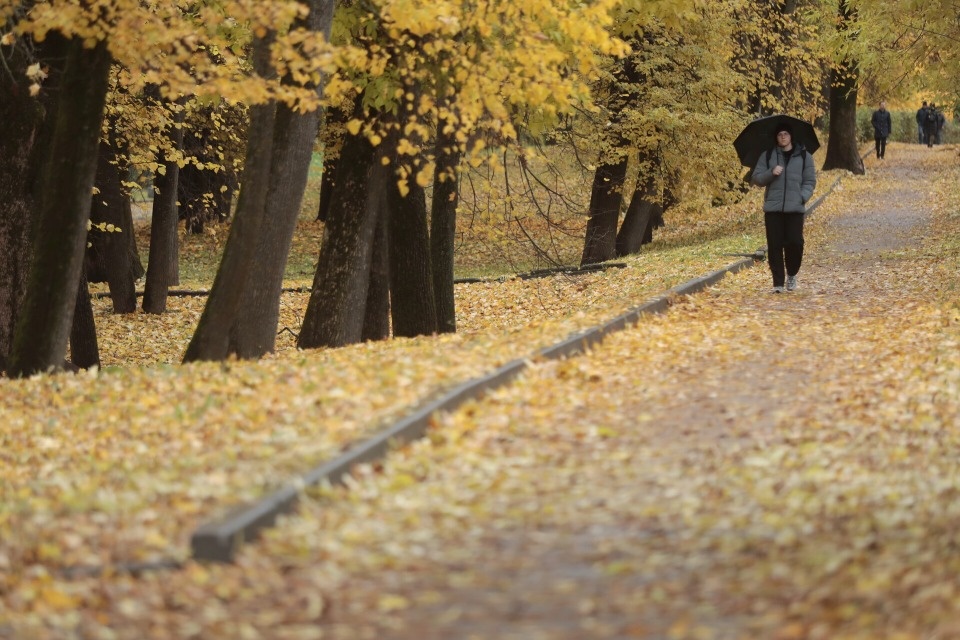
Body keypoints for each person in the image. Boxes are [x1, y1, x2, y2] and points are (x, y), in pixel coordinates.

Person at [751, 123, 817, 293]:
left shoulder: (804, 156)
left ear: (791, 136)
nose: (783, 136)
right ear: (776, 137)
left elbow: (810, 181)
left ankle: (792, 273)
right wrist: (771, 172)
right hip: (773, 208)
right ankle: (778, 283)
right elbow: (757, 179)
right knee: (774, 246)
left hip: (795, 208)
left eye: (786, 133)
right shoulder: (768, 156)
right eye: (780, 134)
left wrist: (802, 197)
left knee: (795, 243)